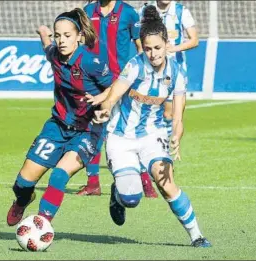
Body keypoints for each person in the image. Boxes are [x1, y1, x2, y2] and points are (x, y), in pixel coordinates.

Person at [93, 5, 211, 247]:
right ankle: (118, 196)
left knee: (166, 184)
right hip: (120, 137)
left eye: (157, 48)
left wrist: (176, 138)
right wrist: (104, 110)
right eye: (147, 48)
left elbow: (178, 117)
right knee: (132, 198)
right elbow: (114, 95)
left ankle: (197, 236)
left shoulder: (177, 73)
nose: (153, 53)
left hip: (152, 135)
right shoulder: (134, 66)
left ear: (166, 44)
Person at [6, 8, 114, 225]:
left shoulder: (91, 63)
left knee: (59, 175)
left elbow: (113, 87)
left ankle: (42, 223)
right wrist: (44, 33)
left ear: (79, 37)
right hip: (57, 127)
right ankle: (24, 199)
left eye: (67, 36)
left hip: (88, 130)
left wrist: (106, 107)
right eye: (58, 36)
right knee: (22, 184)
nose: (61, 41)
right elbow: (47, 46)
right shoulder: (54, 54)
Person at [76, 0, 158, 198]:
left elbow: (141, 47)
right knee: (92, 131)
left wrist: (137, 74)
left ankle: (146, 183)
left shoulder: (128, 13)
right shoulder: (88, 11)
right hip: (93, 80)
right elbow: (82, 43)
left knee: (129, 131)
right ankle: (93, 183)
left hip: (121, 81)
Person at [138, 0, 199, 140]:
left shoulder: (181, 11)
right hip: (150, 69)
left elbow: (194, 40)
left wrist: (173, 48)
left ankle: (164, 148)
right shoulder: (145, 10)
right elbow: (138, 38)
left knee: (168, 114)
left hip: (173, 71)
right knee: (147, 110)